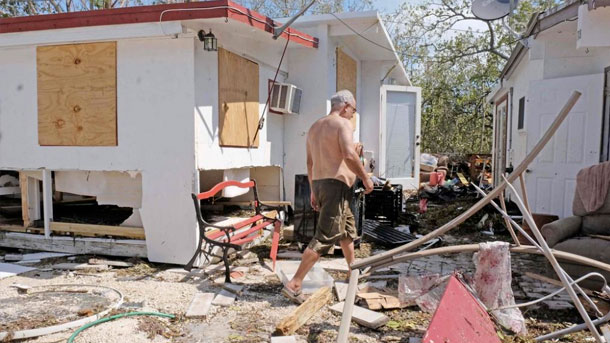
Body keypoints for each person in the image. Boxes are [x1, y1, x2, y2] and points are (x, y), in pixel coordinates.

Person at [283, 90, 374, 302]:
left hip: (322, 184)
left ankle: (353, 271)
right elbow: (349, 154)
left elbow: (310, 162)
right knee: (325, 236)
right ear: (345, 106)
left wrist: (313, 190)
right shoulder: (342, 124)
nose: (352, 114)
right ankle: (295, 283)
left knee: (347, 230)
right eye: (353, 109)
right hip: (337, 186)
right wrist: (366, 178)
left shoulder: (314, 128)